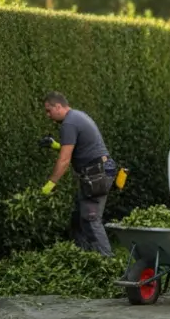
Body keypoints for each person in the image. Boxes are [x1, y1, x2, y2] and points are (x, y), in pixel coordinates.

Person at [40, 91, 116, 255]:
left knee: (91, 218)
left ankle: (108, 264)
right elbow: (78, 148)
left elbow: (65, 160)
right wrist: (55, 145)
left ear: (58, 106)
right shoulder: (76, 117)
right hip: (101, 169)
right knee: (80, 218)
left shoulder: (69, 123)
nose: (48, 115)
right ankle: (84, 259)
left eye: (49, 110)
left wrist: (51, 183)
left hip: (97, 173)